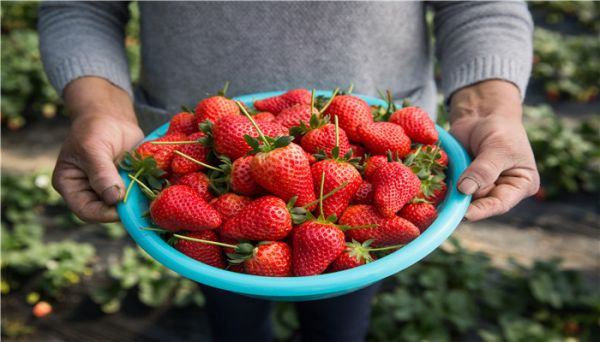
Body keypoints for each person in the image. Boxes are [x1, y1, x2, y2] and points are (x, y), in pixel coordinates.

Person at [39, 2, 540, 341]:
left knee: (342, 310)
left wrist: (486, 109)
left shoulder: (370, 184)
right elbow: (79, 4)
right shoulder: (213, 203)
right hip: (189, 146)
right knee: (230, 305)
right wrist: (99, 108)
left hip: (381, 138)